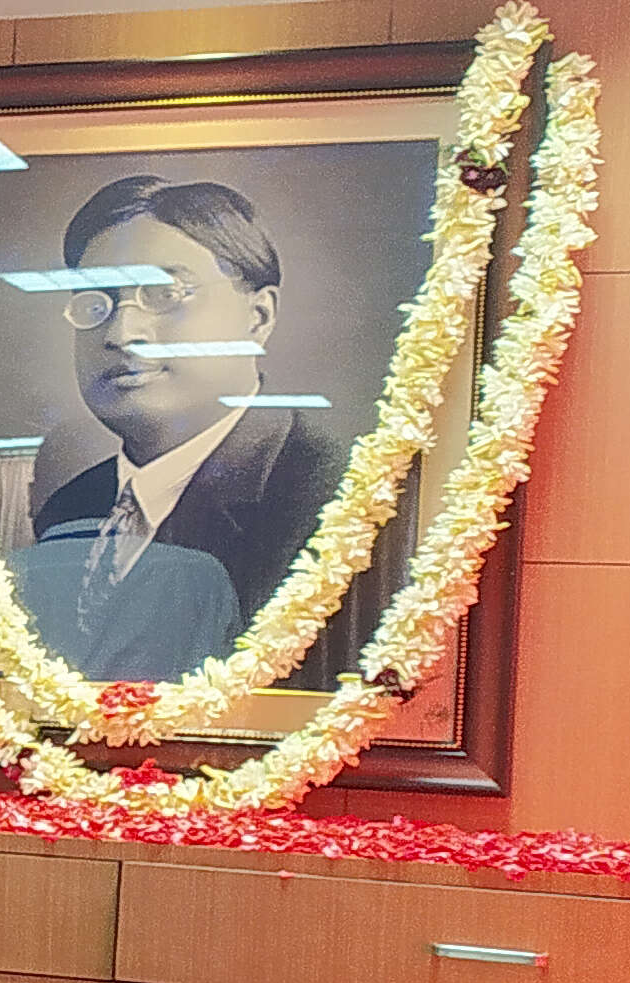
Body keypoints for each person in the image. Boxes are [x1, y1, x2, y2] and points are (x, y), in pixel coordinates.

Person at [24, 173, 401, 688]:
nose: (121, 333)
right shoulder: (72, 507)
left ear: (258, 316)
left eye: (165, 293)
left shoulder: (347, 496)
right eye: (95, 305)